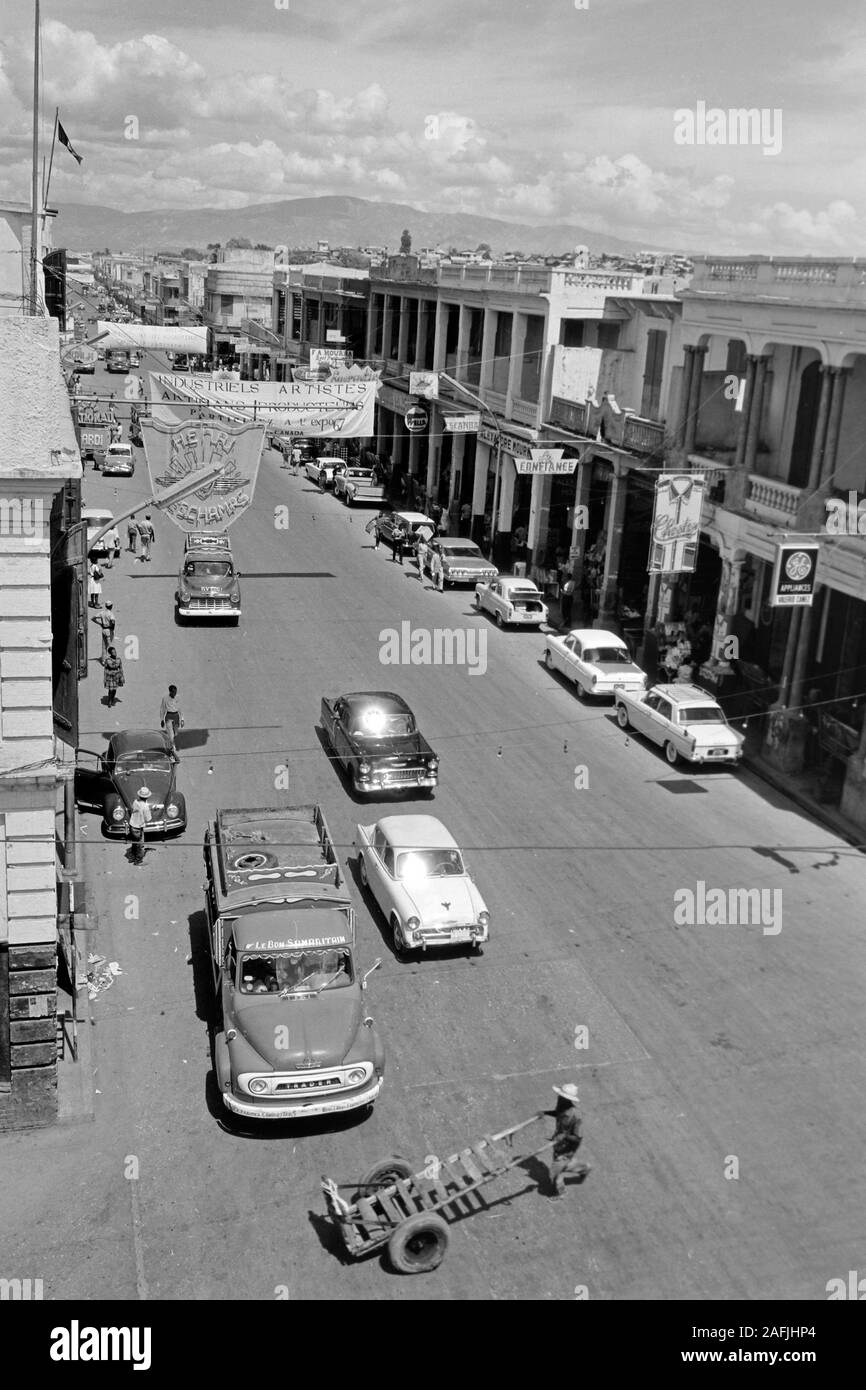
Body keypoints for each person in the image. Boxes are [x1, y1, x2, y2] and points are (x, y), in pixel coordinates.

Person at [540, 1083, 590, 1198]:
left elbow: (578, 1138)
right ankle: (583, 1168)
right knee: (559, 1163)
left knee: (555, 1171)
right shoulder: (562, 1106)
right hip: (558, 1143)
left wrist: (564, 1136)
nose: (558, 1097)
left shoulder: (577, 1117)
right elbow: (557, 1114)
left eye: (561, 1096)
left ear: (567, 1100)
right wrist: (545, 1112)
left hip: (568, 1147)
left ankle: (560, 1192)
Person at [128, 786, 152, 865]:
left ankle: (132, 857)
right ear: (147, 797)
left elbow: (134, 809)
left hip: (132, 825)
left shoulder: (135, 801)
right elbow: (148, 818)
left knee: (134, 842)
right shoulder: (145, 807)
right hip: (138, 828)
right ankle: (138, 861)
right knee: (140, 845)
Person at [159, 683, 184, 760]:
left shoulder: (178, 698)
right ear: (170, 692)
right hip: (168, 716)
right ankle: (173, 749)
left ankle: (173, 744)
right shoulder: (165, 698)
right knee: (171, 734)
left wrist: (182, 719)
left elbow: (180, 708)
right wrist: (162, 719)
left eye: (176, 692)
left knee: (176, 733)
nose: (175, 694)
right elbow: (162, 709)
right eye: (173, 692)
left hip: (176, 716)